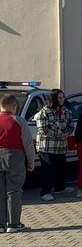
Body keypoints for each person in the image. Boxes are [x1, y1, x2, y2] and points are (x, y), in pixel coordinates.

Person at [0, 94, 36, 233]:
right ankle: (13, 224)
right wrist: (31, 161)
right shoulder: (19, 121)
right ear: (13, 107)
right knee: (13, 190)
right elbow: (27, 144)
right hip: (14, 156)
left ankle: (0, 224)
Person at [35, 89, 75, 201]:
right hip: (47, 146)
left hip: (61, 146)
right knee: (48, 170)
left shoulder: (66, 111)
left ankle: (60, 188)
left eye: (63, 97)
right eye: (59, 97)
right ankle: (45, 192)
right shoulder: (44, 112)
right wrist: (60, 135)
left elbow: (71, 125)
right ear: (53, 99)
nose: (62, 100)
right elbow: (43, 129)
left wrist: (67, 133)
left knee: (61, 168)